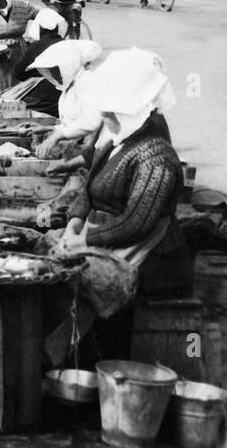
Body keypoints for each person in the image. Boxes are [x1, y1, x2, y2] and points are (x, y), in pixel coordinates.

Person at [48, 50, 190, 366]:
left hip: (151, 259)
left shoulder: (156, 155)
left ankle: (94, 369)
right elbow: (90, 186)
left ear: (135, 109)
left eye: (113, 111)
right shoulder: (118, 140)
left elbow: (137, 222)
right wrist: (74, 222)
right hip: (107, 238)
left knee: (80, 285)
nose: (106, 117)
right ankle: (61, 359)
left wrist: (85, 241)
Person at [8, 8, 70, 116]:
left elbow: (18, 72)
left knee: (8, 100)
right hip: (64, 96)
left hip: (42, 98)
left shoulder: (36, 46)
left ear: (40, 27)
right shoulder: (66, 44)